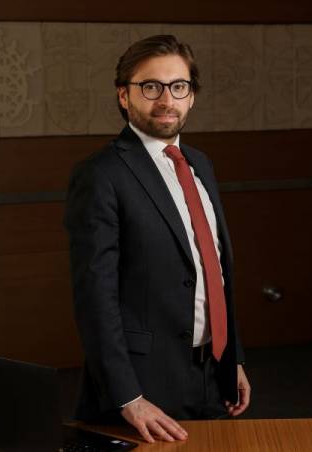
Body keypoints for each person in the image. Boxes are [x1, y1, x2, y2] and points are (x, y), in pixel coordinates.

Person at [64, 34, 250, 444]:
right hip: (143, 386)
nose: (167, 100)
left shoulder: (200, 164)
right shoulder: (101, 175)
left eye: (178, 86)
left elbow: (213, 270)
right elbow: (95, 299)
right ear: (124, 96)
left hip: (212, 376)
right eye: (151, 87)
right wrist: (128, 397)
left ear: (192, 96)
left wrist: (231, 357)